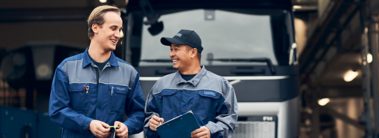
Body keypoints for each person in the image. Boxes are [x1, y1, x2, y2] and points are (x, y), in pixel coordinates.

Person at [48, 5, 145, 138]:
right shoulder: (66, 68)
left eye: (120, 29)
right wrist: (88, 124)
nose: (119, 35)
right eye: (113, 28)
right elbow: (57, 111)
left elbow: (139, 114)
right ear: (95, 28)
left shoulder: (129, 73)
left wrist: (128, 126)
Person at [144, 29, 238, 138]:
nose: (171, 54)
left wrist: (210, 131)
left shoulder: (220, 85)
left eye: (176, 49)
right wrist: (152, 124)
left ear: (193, 52)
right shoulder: (160, 85)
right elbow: (148, 117)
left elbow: (229, 120)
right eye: (171, 49)